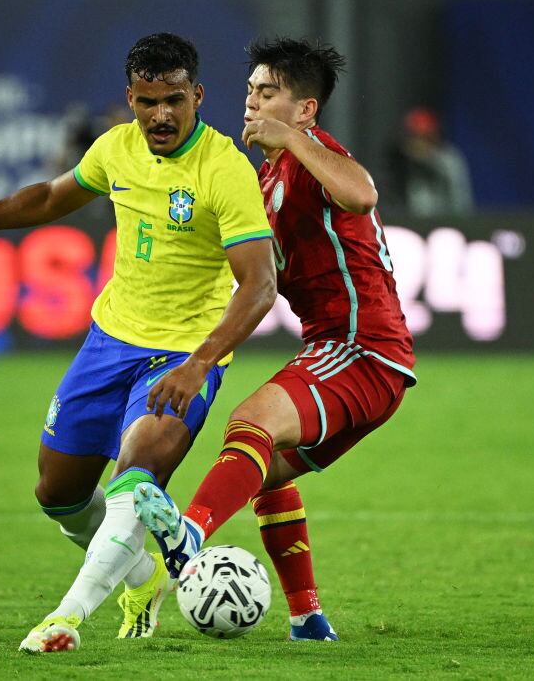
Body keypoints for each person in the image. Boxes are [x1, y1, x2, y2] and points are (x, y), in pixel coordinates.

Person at [0, 33, 277, 651]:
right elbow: (48, 197)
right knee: (59, 492)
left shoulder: (225, 169)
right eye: (148, 101)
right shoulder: (116, 149)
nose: (161, 115)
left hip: (181, 353)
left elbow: (260, 286)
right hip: (109, 342)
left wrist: (200, 361)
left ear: (198, 95)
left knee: (135, 478)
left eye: (174, 100)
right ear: (130, 99)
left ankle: (66, 617)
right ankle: (144, 574)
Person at [132, 38, 417, 641]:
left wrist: (293, 140)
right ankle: (307, 617)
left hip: (365, 347)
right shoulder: (265, 183)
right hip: (345, 353)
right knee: (261, 470)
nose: (252, 102)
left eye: (269, 92)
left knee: (250, 420)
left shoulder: (315, 157)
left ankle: (188, 536)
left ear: (305, 110)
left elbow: (362, 193)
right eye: (251, 90)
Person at [385, 106, 474, 217]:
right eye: (414, 137)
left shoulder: (449, 160)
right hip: (409, 223)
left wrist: (427, 159)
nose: (418, 143)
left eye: (423, 137)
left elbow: (460, 202)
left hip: (446, 222)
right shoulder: (399, 162)